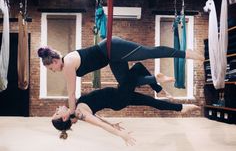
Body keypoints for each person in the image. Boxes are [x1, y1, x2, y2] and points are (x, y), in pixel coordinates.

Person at [38, 36, 203, 115]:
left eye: (51, 69)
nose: (54, 71)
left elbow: (72, 93)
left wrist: (71, 111)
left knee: (149, 52)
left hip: (111, 49)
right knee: (127, 81)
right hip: (112, 59)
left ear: (53, 61)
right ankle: (157, 84)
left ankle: (185, 54)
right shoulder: (68, 60)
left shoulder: (67, 64)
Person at [52, 62, 200, 145]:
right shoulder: (79, 113)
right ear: (64, 118)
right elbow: (100, 124)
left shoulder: (77, 112)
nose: (57, 108)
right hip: (119, 97)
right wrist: (120, 134)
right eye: (57, 113)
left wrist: (112, 124)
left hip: (119, 97)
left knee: (150, 101)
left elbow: (97, 119)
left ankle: (180, 107)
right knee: (137, 68)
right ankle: (157, 83)